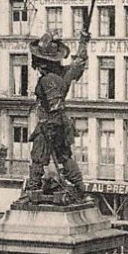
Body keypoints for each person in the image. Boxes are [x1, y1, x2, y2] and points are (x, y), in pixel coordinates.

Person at [27, 30, 90, 200]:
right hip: (61, 124)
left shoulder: (48, 80)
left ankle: (32, 188)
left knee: (39, 155)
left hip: (51, 122)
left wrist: (48, 128)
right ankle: (80, 186)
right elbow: (80, 62)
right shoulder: (65, 74)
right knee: (64, 155)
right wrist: (83, 42)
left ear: (42, 62)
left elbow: (55, 104)